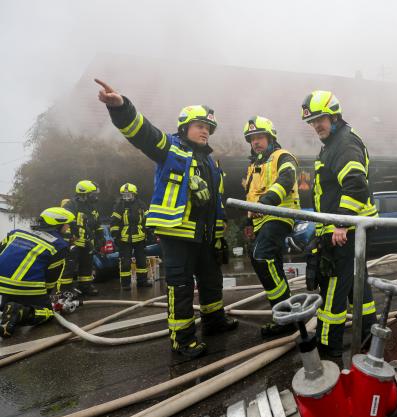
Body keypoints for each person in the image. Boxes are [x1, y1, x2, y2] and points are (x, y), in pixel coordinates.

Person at [95, 78, 237, 358]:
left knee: (211, 281)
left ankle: (214, 322)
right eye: (200, 126)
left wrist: (218, 238)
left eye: (208, 128)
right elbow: (142, 132)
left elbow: (215, 205)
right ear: (185, 127)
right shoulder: (170, 148)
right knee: (181, 285)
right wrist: (122, 108)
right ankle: (182, 341)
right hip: (177, 234)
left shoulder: (211, 162)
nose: (205, 132)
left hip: (205, 237)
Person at [301, 90, 378, 358]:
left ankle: (328, 348)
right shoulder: (333, 144)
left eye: (320, 119)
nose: (316, 126)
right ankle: (370, 334)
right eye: (312, 122)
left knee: (333, 288)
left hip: (346, 231)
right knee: (359, 288)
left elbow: (356, 184)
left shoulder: (343, 143)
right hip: (347, 230)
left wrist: (341, 224)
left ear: (334, 116)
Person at [243, 116, 300, 337]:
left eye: (260, 137)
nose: (255, 142)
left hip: (279, 216)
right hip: (260, 221)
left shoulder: (282, 156)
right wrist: (248, 221)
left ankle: (285, 313)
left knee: (261, 255)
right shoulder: (253, 166)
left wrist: (266, 204)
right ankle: (284, 313)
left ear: (270, 137)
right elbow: (250, 196)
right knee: (266, 261)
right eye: (252, 139)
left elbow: (287, 178)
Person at [0, 207, 75, 338]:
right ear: (57, 224)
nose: (67, 228)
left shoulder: (16, 232)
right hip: (27, 287)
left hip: (2, 285)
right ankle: (19, 312)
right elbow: (51, 278)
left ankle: (9, 309)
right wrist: (46, 297)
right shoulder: (59, 246)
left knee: (11, 303)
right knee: (47, 313)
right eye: (66, 225)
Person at [62, 180, 103, 296]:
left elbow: (97, 224)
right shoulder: (71, 205)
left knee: (87, 266)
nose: (95, 197)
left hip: (87, 242)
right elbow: (65, 224)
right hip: (74, 243)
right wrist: (69, 240)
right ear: (84, 194)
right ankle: (65, 291)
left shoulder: (92, 207)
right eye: (93, 194)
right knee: (69, 268)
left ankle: (85, 287)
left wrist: (101, 237)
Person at [110, 183, 150, 290]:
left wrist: (149, 232)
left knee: (141, 261)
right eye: (124, 195)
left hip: (140, 238)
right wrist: (115, 236)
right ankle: (125, 284)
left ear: (134, 194)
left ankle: (142, 282)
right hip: (124, 239)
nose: (127, 198)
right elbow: (114, 222)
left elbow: (148, 219)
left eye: (129, 195)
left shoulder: (141, 205)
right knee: (126, 263)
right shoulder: (119, 206)